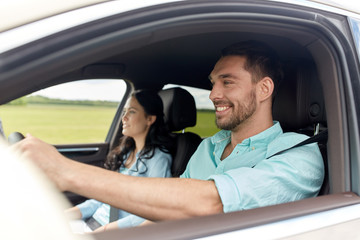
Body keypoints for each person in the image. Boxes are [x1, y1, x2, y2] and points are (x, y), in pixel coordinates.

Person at [13, 40, 324, 225]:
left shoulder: (298, 154)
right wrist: (110, 231)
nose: (213, 94)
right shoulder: (208, 147)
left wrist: (65, 171)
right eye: (213, 82)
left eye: (227, 82)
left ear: (264, 88)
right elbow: (169, 204)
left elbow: (213, 204)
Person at [66, 90, 173, 232]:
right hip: (91, 223)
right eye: (124, 111)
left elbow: (155, 213)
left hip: (113, 232)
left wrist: (106, 230)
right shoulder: (126, 153)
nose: (124, 117)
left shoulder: (159, 160)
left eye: (132, 112)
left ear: (150, 119)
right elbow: (103, 198)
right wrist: (66, 214)